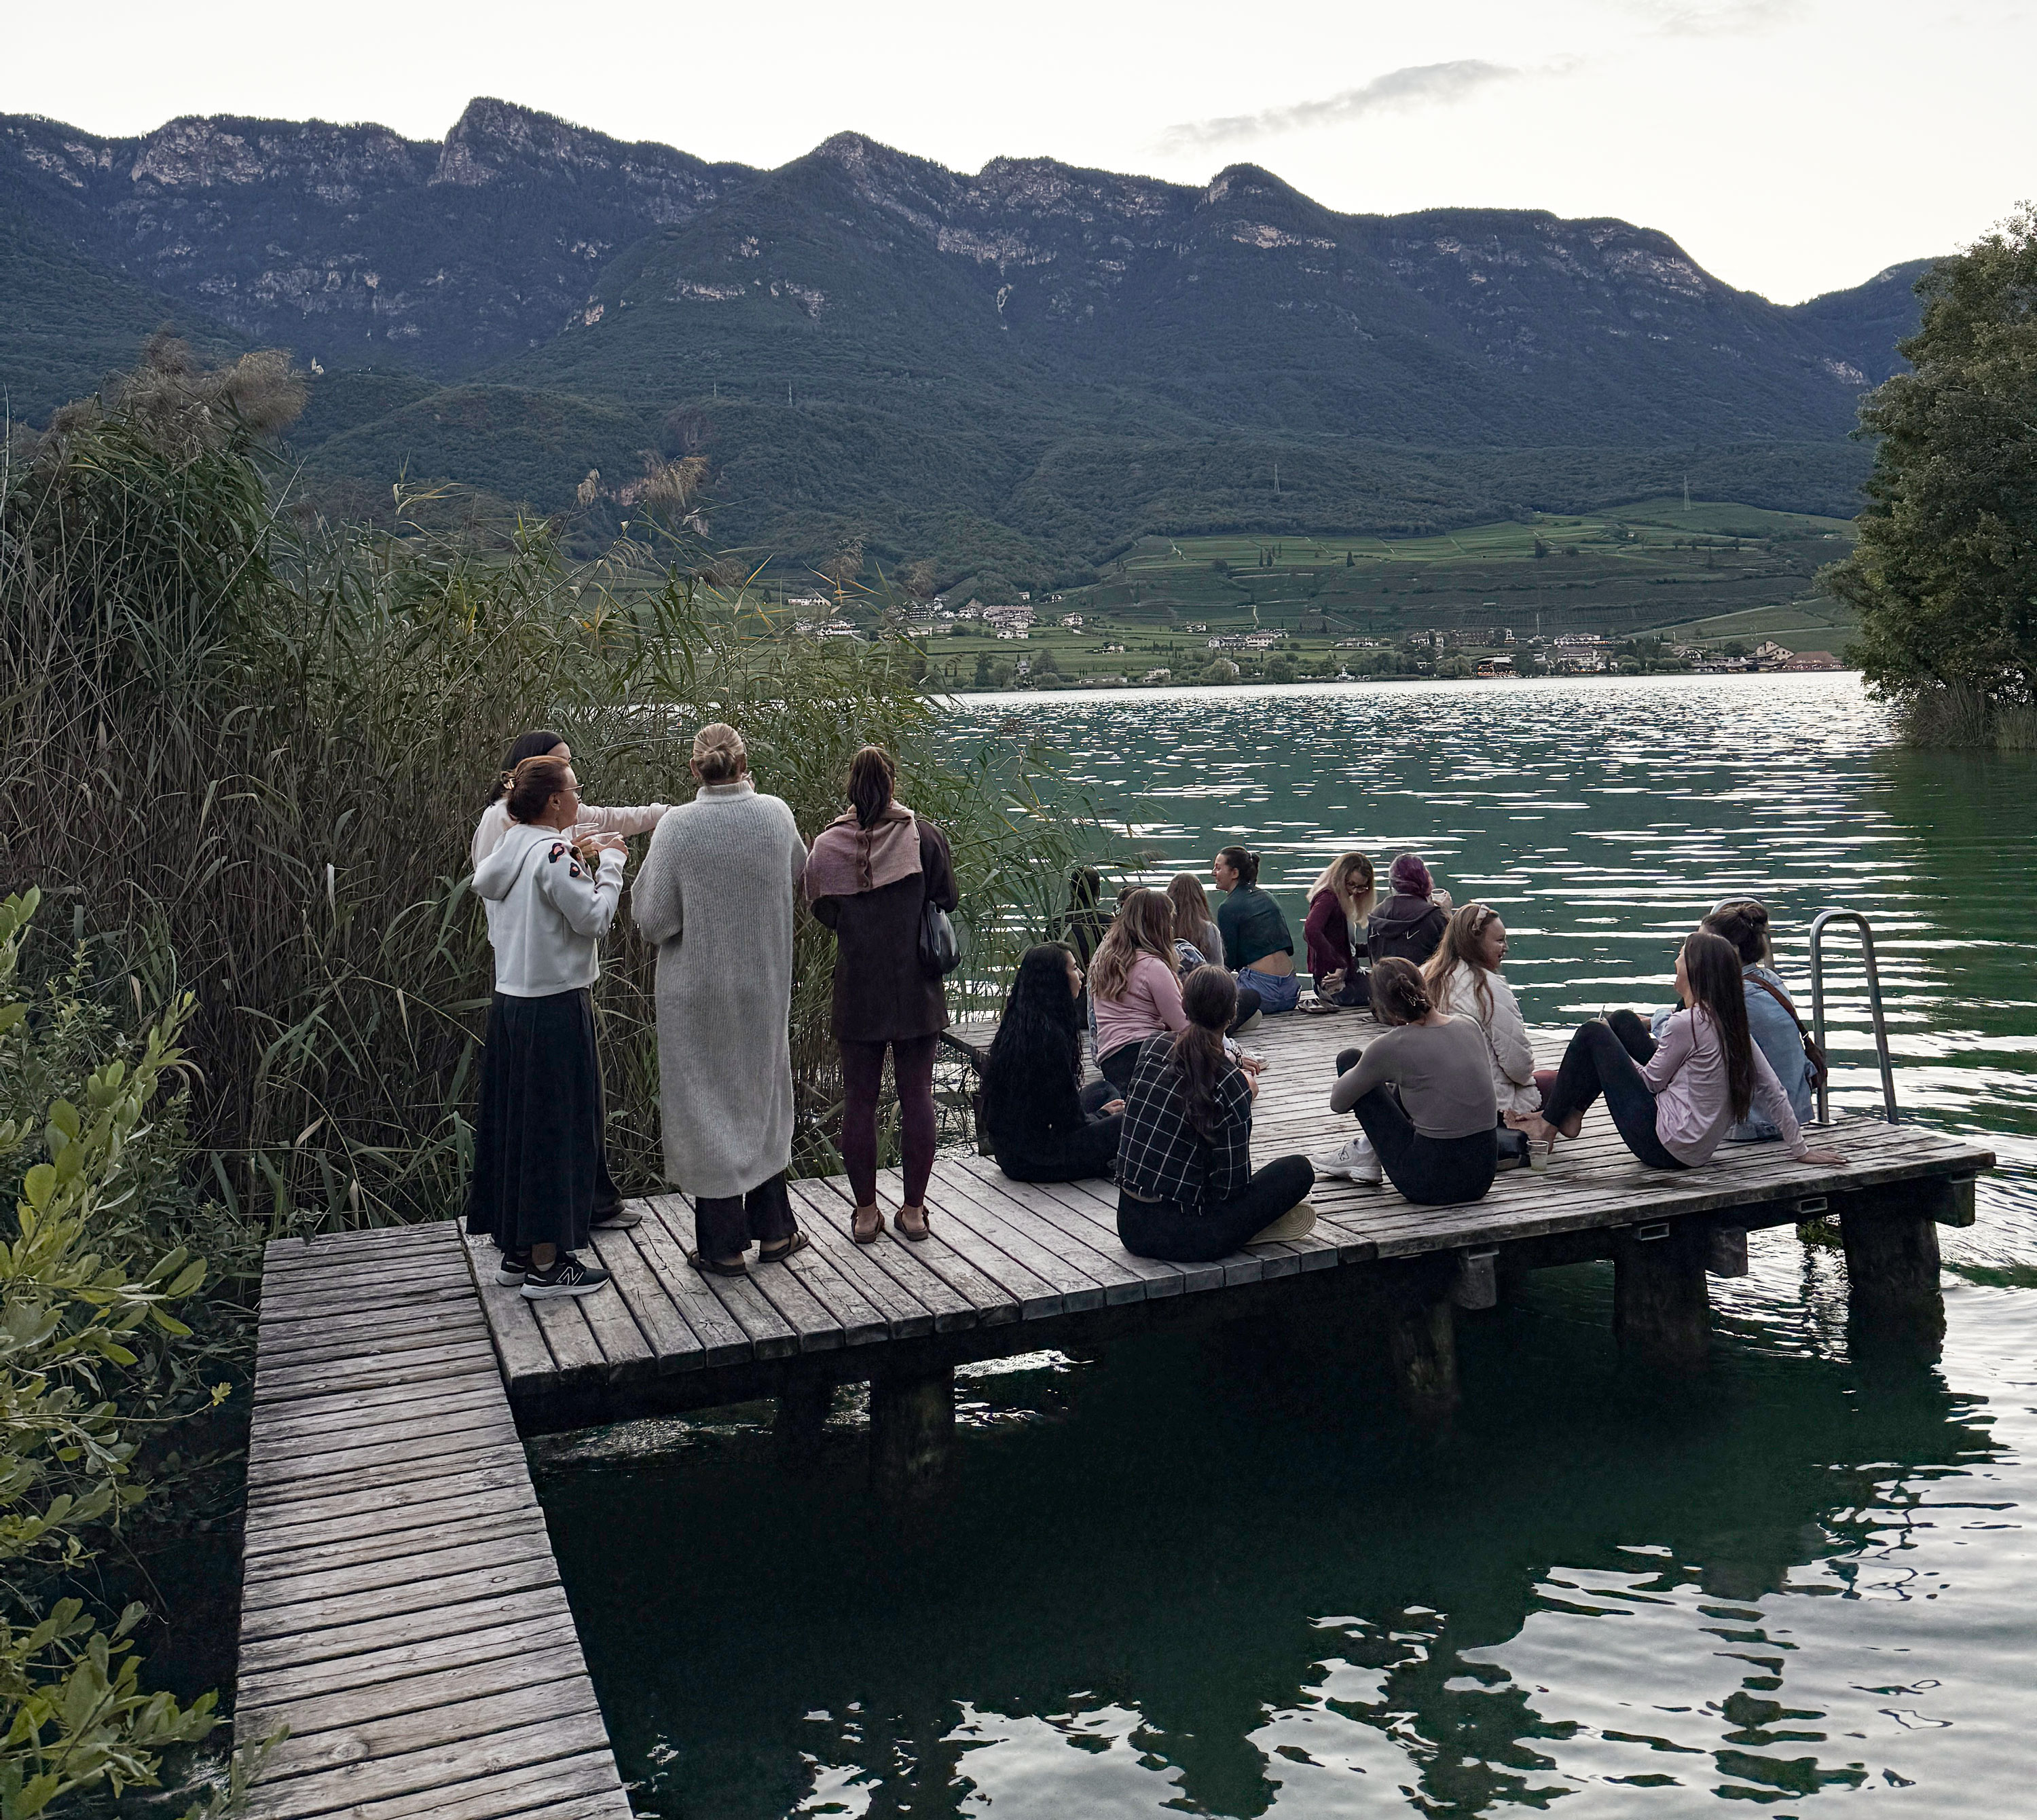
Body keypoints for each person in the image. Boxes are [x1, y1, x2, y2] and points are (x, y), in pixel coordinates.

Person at [631, 724, 811, 1277]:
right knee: (760, 1095)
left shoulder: (678, 828)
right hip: (762, 982)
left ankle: (722, 1245)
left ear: (694, 770)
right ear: (744, 763)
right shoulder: (777, 814)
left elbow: (653, 920)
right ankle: (777, 1230)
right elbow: (801, 878)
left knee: (708, 1105)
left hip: (697, 992)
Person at [466, 754, 627, 1299]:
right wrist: (611, 866)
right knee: (556, 1132)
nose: (580, 799)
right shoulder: (555, 851)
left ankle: (517, 1251)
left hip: (511, 1004)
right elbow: (594, 919)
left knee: (518, 1128)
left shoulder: (511, 848)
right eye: (576, 791)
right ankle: (548, 1263)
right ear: (555, 801)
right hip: (556, 1006)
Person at [1513, 931, 1848, 1173]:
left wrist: (1614, 1057)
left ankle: (1549, 1124)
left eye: (1680, 955)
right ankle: (1570, 1115)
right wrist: (1801, 1149)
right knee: (1624, 1021)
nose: (1675, 960)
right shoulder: (1731, 1024)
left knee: (1593, 1032)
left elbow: (1650, 1083)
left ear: (1693, 970)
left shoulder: (1686, 1023)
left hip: (1661, 1146)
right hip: (1697, 1151)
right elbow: (1774, 1090)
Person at [805, 746, 959, 1244]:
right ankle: (914, 1211)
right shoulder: (923, 837)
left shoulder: (827, 846)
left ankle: (866, 1212)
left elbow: (825, 913)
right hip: (917, 990)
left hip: (859, 991)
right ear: (893, 784)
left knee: (859, 1101)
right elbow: (948, 899)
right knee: (917, 1097)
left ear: (850, 788)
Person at [1116, 965, 1315, 1262]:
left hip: (1130, 1227)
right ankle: (1249, 1232)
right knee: (1298, 1170)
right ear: (1232, 1014)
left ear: (1184, 1004)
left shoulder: (1151, 1047)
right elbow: (1232, 1188)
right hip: (1190, 1236)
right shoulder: (1230, 1082)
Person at [1325, 958, 1500, 1204]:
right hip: (1481, 1177)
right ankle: (1367, 1151)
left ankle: (1365, 1153)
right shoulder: (1468, 1024)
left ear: (1382, 1007)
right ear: (1424, 986)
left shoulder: (1392, 1046)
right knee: (1412, 1082)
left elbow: (1338, 1103)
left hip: (1428, 1183)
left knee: (1350, 1059)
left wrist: (1373, 1079)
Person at [1653, 899, 1816, 1141]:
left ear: (1730, 952)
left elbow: (1678, 1035)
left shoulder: (1733, 998)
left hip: (1753, 1123)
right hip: (1794, 1113)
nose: (1694, 954)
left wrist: (1657, 1018)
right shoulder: (1769, 979)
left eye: (1703, 947)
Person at [981, 944, 1125, 1182]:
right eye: (1075, 969)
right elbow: (1067, 1121)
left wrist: (1098, 1115)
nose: (1081, 976)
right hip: (1036, 1160)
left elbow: (1053, 1111)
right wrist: (1101, 1116)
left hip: (1012, 1153)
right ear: (1055, 980)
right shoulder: (1049, 1039)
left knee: (1104, 1090)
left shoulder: (1020, 1025)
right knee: (1128, 1122)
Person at [471, 728, 667, 868]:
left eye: (569, 762)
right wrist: (566, 856)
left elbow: (608, 818)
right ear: (534, 767)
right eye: (561, 762)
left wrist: (667, 814)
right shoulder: (501, 815)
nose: (569, 770)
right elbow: (492, 879)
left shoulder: (562, 806)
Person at [1423, 902, 1540, 1118]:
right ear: (1475, 942)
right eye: (1500, 940)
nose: (1506, 947)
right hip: (1488, 1104)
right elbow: (1518, 1066)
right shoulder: (1489, 988)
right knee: (1555, 1080)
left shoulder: (1424, 976)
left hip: (1432, 1100)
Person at [1089, 888, 1190, 1093]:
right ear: (1159, 926)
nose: (1171, 928)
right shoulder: (1153, 967)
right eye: (1169, 922)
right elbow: (1183, 1026)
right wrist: (1229, 1055)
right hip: (1146, 1054)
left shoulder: (1106, 961)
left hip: (1112, 1062)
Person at [1213, 846, 1300, 1015]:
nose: (1214, 873)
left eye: (1218, 867)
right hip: (1291, 993)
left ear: (1234, 873)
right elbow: (1288, 947)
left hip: (1262, 995)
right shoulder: (1267, 897)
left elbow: (1229, 961)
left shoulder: (1228, 907)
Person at [1303, 852, 1376, 1007]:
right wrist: (1340, 964)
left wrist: (1376, 948)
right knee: (1390, 995)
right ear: (1340, 878)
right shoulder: (1328, 898)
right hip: (1331, 983)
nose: (1355, 891)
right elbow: (1310, 930)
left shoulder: (1341, 900)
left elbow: (1344, 946)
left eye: (1362, 887)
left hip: (1348, 976)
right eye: (1351, 884)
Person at [1367, 853, 1452, 967]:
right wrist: (1447, 914)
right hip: (1423, 982)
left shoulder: (1376, 914)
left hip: (1382, 983)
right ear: (1424, 879)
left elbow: (1372, 952)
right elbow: (1455, 952)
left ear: (1392, 882)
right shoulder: (1434, 916)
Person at [1050, 866, 1112, 972]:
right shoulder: (1109, 922)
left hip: (1063, 981)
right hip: (1100, 981)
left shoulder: (1057, 922)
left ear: (1071, 889)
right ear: (1098, 890)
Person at [1166, 873, 1226, 976]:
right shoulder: (1209, 929)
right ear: (1200, 897)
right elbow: (1219, 969)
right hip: (1202, 986)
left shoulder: (1163, 927)